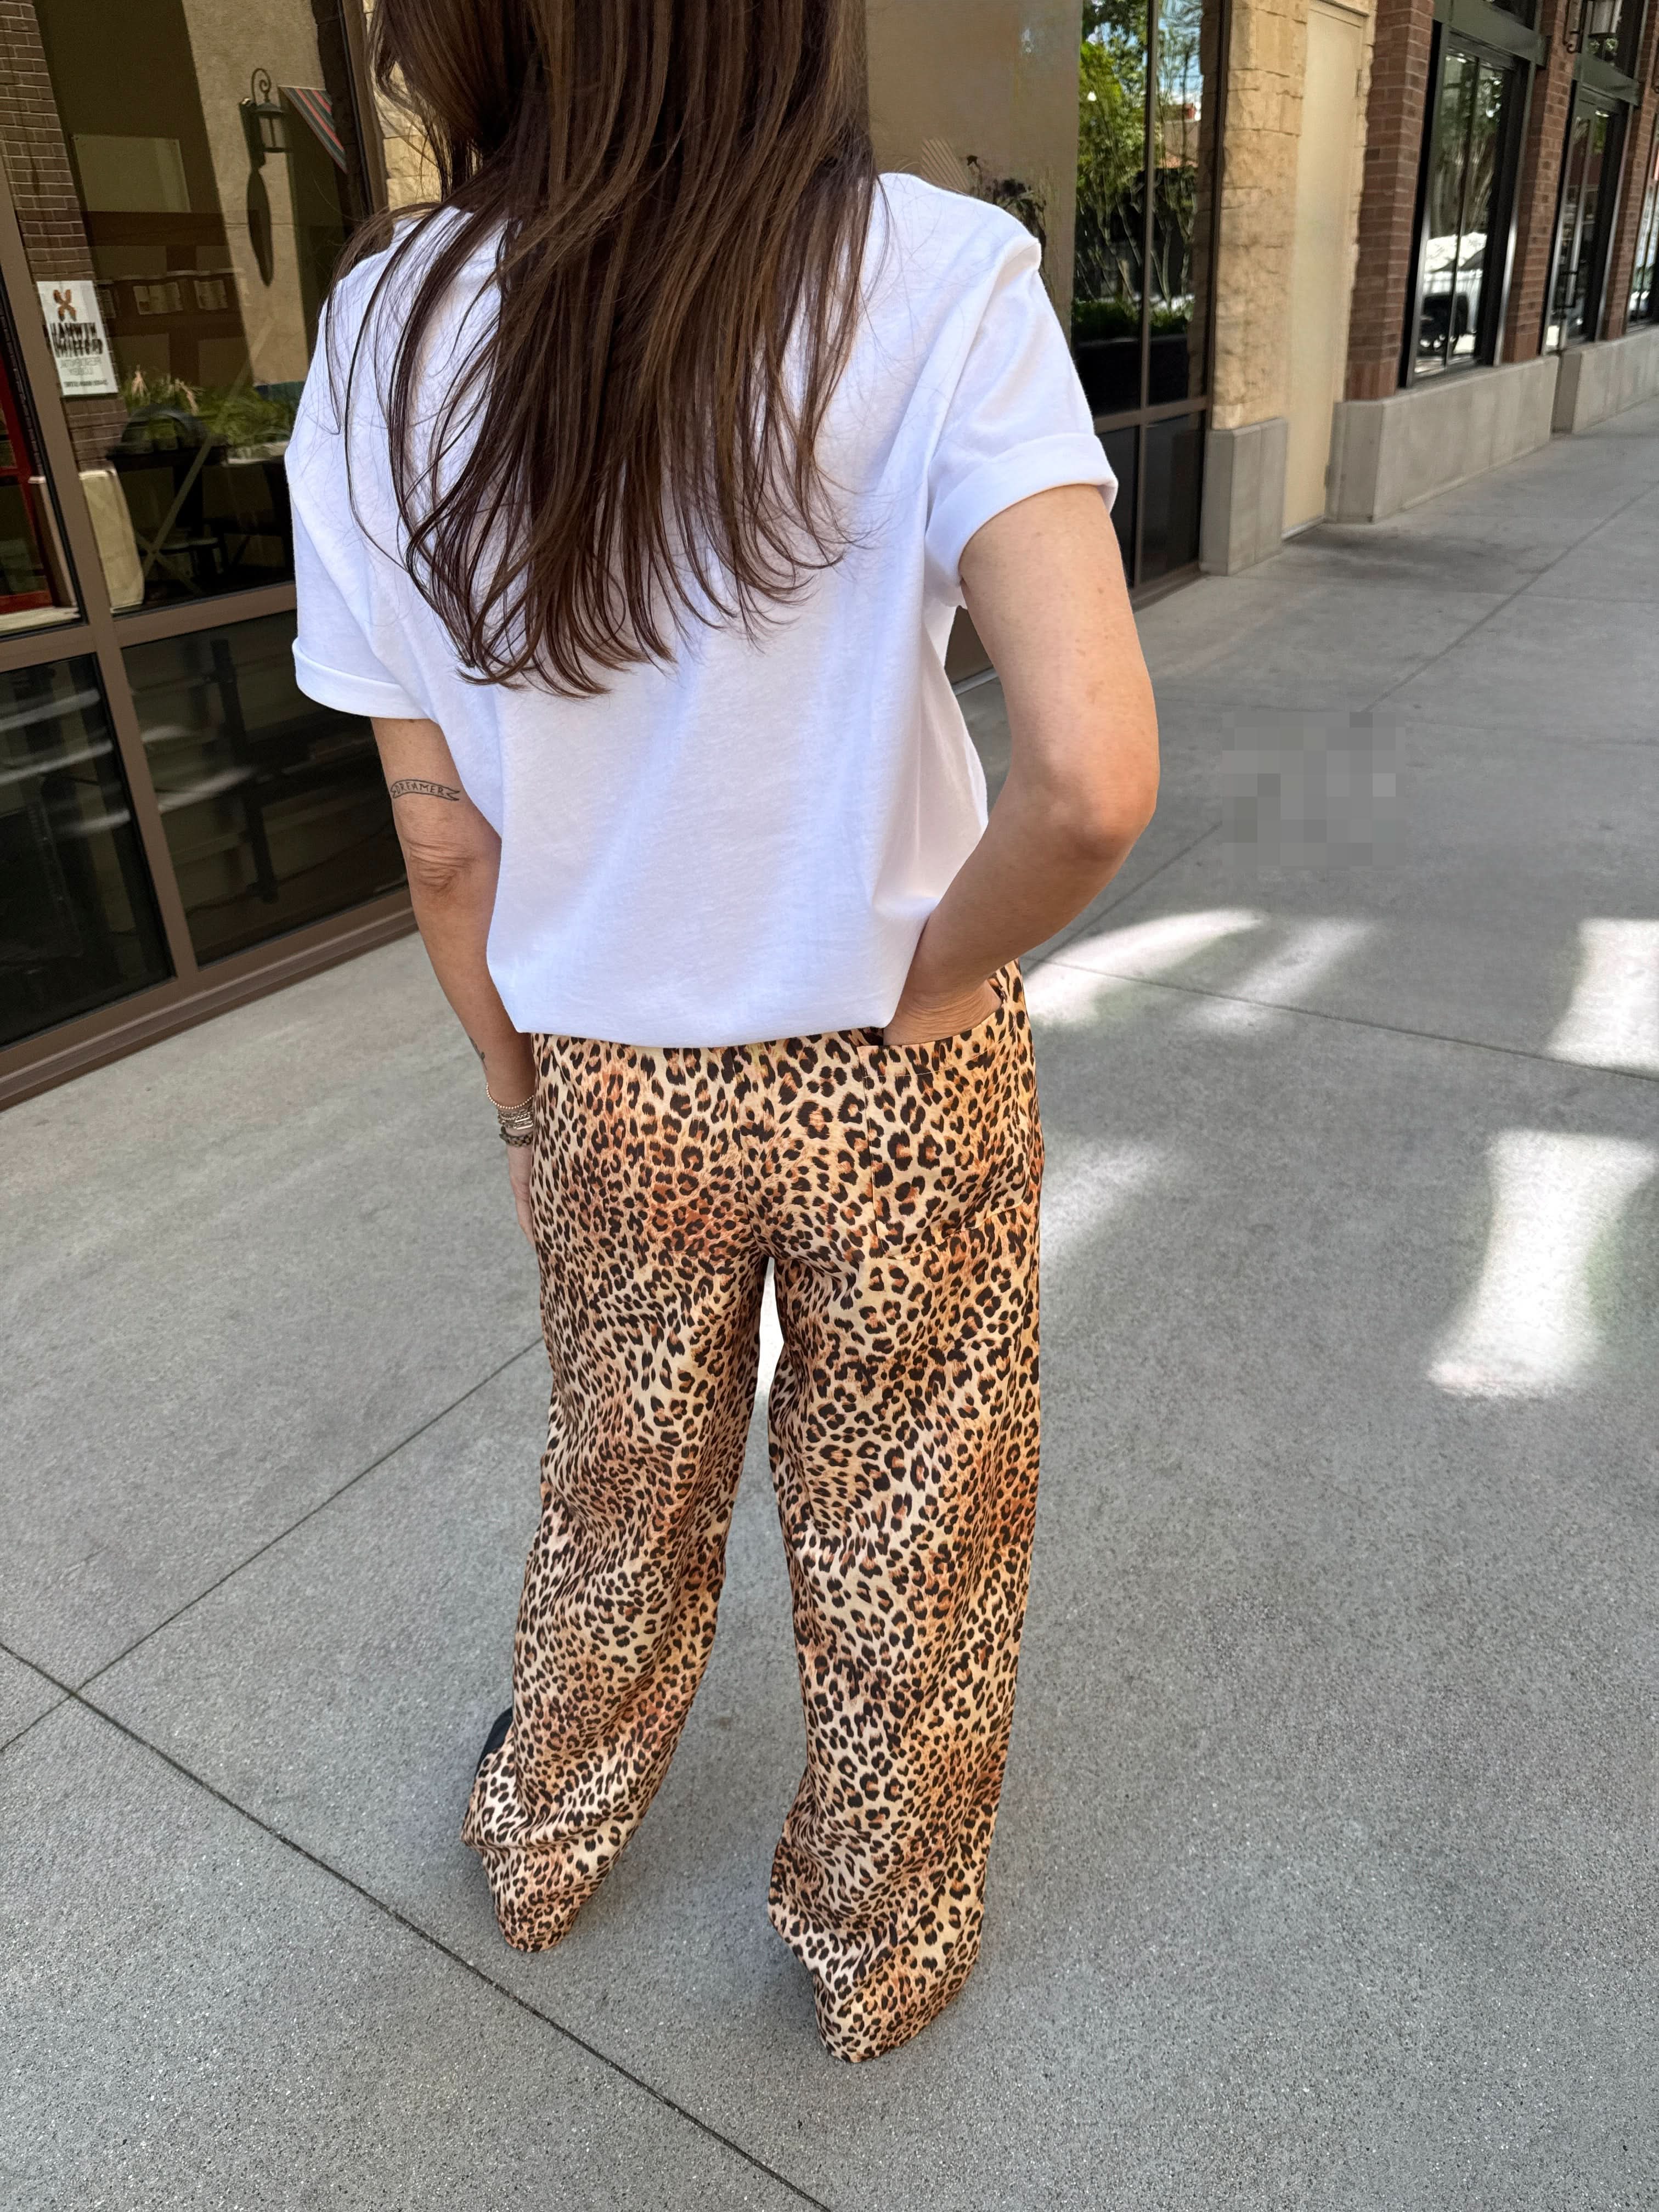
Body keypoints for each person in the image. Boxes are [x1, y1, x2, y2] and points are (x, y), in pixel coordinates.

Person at [286, 0, 1158, 2065]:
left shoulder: (387, 332)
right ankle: (876, 1942)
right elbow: (1093, 779)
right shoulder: (936, 278)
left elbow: (445, 853)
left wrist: (519, 1111)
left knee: (619, 1486)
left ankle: (547, 1831)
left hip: (609, 1079)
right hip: (900, 1058)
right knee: (911, 1525)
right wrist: (933, 983)